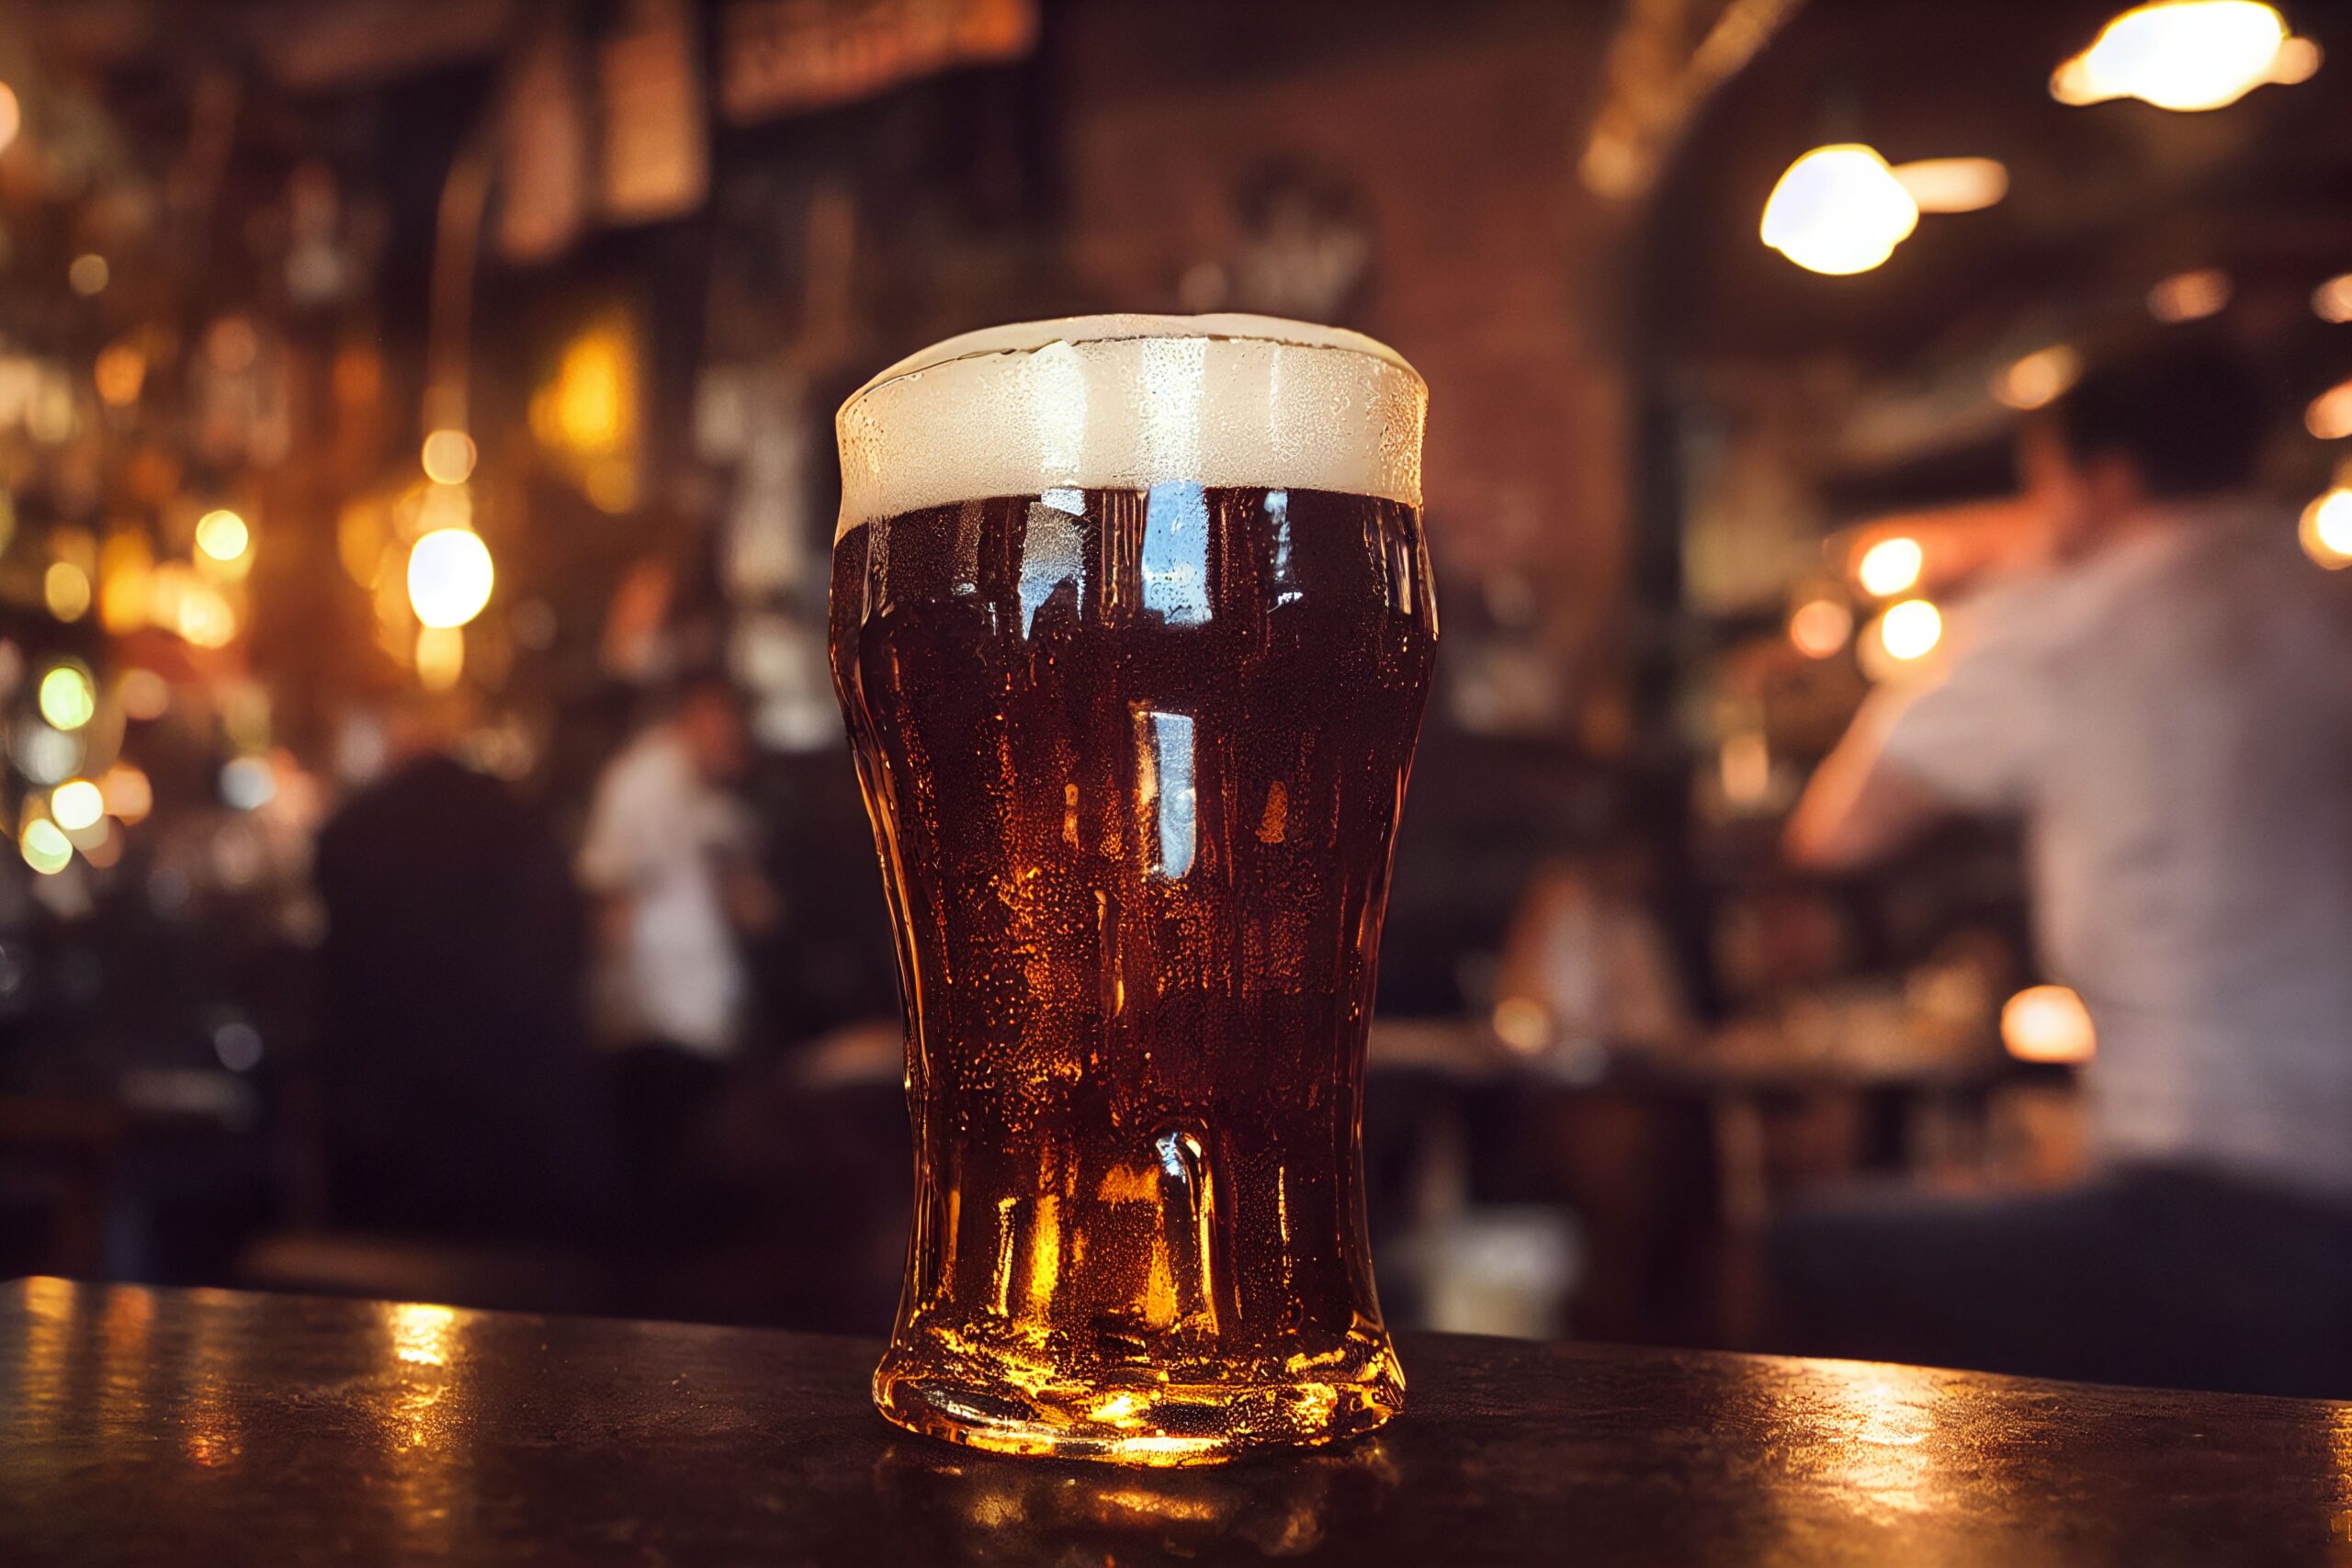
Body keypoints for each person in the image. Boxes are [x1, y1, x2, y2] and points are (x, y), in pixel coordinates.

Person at [1775, 338, 2352, 1398]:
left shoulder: (2068, 622)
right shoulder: (2327, 600)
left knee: (1813, 1253)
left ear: (2105, 478)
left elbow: (1834, 831)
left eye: (2040, 483)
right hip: (2307, 1202)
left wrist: (2026, 564)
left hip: (2235, 1207)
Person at [312, 693, 608, 1241]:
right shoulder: (523, 821)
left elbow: (336, 987)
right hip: (532, 1141)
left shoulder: (352, 831)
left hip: (393, 1143)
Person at [577, 671, 774, 1225]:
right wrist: (615, 1010)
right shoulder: (639, 783)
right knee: (660, 1195)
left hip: (703, 1023)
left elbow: (750, 907)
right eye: (728, 722)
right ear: (699, 714)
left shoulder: (708, 795)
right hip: (655, 1024)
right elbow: (609, 899)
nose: (736, 739)